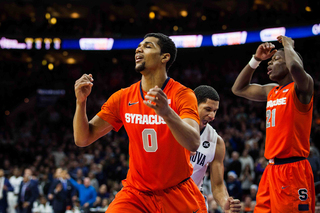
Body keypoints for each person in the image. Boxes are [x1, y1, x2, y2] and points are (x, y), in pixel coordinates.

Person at [73, 32, 207, 212]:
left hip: (177, 192)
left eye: (148, 46)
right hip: (136, 194)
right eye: (139, 46)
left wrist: (167, 112)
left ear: (164, 57)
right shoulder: (123, 97)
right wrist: (81, 103)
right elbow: (83, 139)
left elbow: (193, 142)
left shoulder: (183, 95)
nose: (139, 49)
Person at [232, 35, 315, 212]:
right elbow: (238, 89)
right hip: (270, 170)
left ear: (288, 62)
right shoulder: (271, 91)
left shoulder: (302, 88)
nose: (270, 63)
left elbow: (295, 66)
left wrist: (289, 46)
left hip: (293, 169)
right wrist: (256, 59)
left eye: (276, 59)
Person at [191, 85, 241, 213]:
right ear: (193, 104)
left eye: (215, 111)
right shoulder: (172, 126)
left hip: (193, 199)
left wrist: (225, 202)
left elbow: (217, 185)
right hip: (165, 196)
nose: (212, 116)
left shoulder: (216, 141)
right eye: (208, 109)